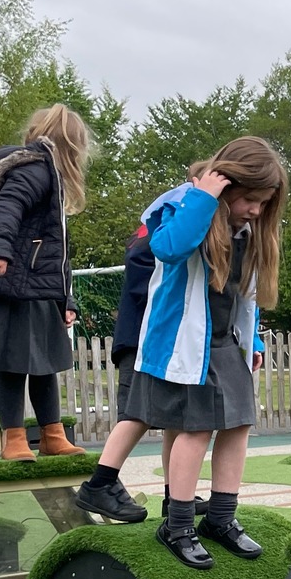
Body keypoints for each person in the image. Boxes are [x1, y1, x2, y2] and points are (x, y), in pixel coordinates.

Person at [133, 136, 284, 569]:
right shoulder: (184, 206)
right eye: (249, 198)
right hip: (184, 342)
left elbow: (246, 295)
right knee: (194, 430)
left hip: (224, 344)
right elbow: (167, 248)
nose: (255, 209)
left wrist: (252, 340)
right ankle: (177, 524)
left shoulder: (248, 230)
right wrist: (206, 195)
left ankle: (221, 517)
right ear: (226, 183)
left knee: (237, 427)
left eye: (263, 202)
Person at [0, 104, 91, 462]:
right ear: (73, 145)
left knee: (45, 362)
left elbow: (56, 249)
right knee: (12, 362)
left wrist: (66, 299)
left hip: (35, 284)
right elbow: (7, 207)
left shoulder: (48, 174)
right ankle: (15, 438)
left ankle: (52, 433)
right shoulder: (34, 169)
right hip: (12, 280)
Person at [73, 168, 202, 522]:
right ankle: (100, 483)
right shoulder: (176, 209)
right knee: (138, 410)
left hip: (160, 332)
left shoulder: (172, 208)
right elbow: (147, 263)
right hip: (146, 333)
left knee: (175, 414)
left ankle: (176, 496)